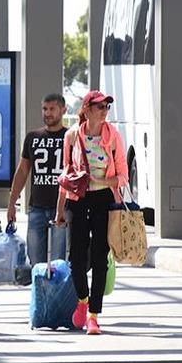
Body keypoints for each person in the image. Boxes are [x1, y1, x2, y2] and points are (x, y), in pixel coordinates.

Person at [55, 90, 128, 336]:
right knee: (76, 256)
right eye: (99, 106)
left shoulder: (113, 135)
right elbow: (65, 174)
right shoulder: (72, 136)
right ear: (86, 109)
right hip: (77, 198)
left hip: (103, 199)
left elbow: (123, 176)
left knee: (99, 257)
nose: (104, 110)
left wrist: (104, 181)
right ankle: (82, 300)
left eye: (107, 106)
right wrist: (60, 209)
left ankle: (93, 315)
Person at [6, 93, 68, 265]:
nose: (47, 113)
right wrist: (12, 203)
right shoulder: (33, 137)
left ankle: (55, 293)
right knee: (35, 262)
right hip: (36, 208)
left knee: (58, 263)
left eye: (52, 109)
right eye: (44, 109)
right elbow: (22, 171)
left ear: (64, 110)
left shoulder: (71, 137)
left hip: (62, 209)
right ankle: (39, 292)